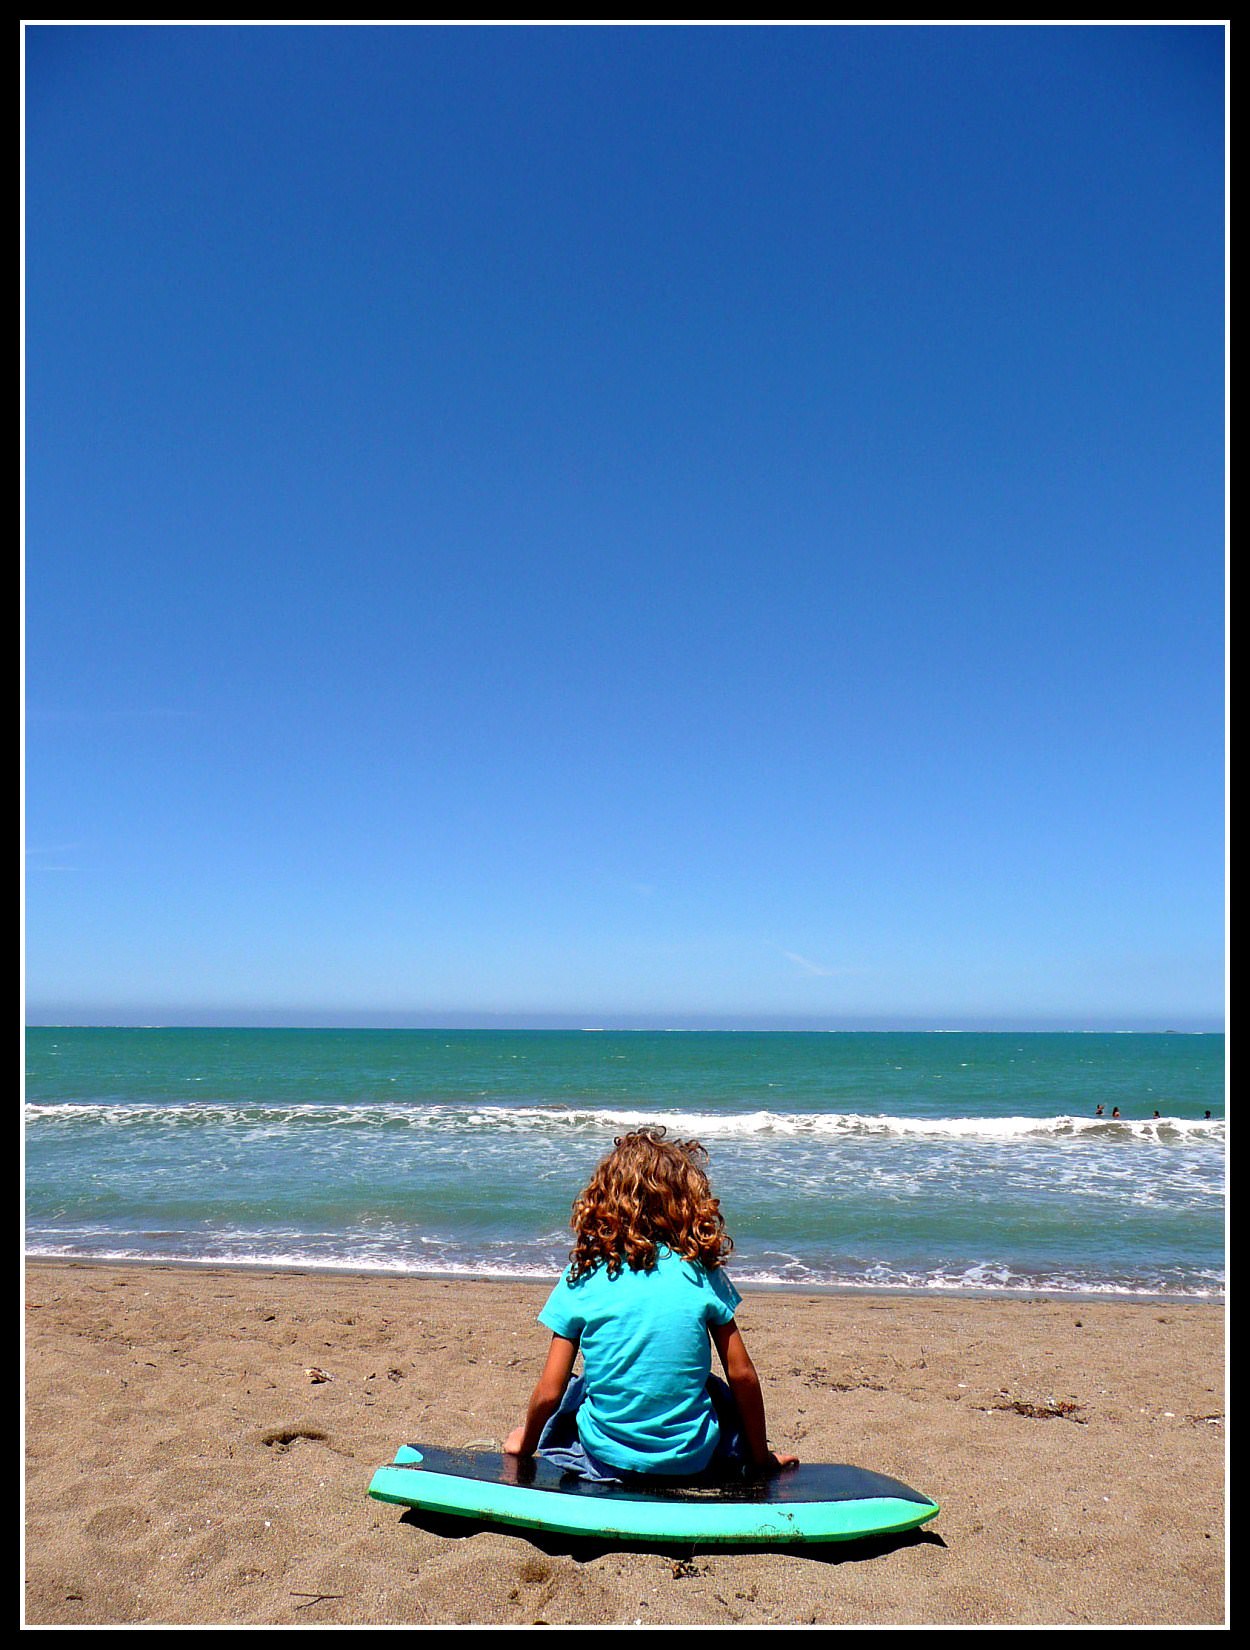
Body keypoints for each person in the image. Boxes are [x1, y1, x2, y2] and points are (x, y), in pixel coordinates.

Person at [504, 1126, 798, 1482]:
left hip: (605, 1459)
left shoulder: (582, 1273)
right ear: (685, 1201)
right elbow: (742, 1375)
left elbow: (550, 1390)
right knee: (714, 1388)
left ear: (603, 1198)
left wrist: (526, 1443)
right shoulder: (700, 1271)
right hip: (691, 1461)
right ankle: (734, 1455)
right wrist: (760, 1458)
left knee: (578, 1387)